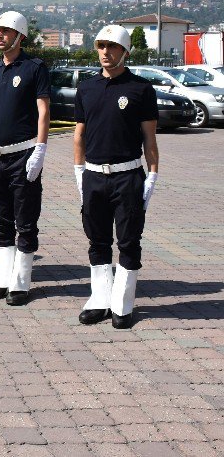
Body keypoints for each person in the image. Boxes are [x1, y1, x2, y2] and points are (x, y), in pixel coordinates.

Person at [75, 25, 159, 330]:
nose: (105, 53)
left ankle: (122, 303)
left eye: (112, 47)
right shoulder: (86, 88)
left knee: (128, 240)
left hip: (128, 177)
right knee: (97, 240)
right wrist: (78, 171)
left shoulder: (141, 89)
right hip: (94, 175)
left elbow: (149, 139)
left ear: (125, 52)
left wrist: (152, 176)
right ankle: (100, 298)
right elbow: (79, 136)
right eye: (101, 46)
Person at [0, 11, 51, 306]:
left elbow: (44, 111)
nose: (0, 35)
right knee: (1, 219)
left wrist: (40, 149)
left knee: (26, 220)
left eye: (6, 31)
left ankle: (21, 279)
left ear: (20, 35)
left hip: (22, 155)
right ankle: (3, 273)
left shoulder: (34, 68)